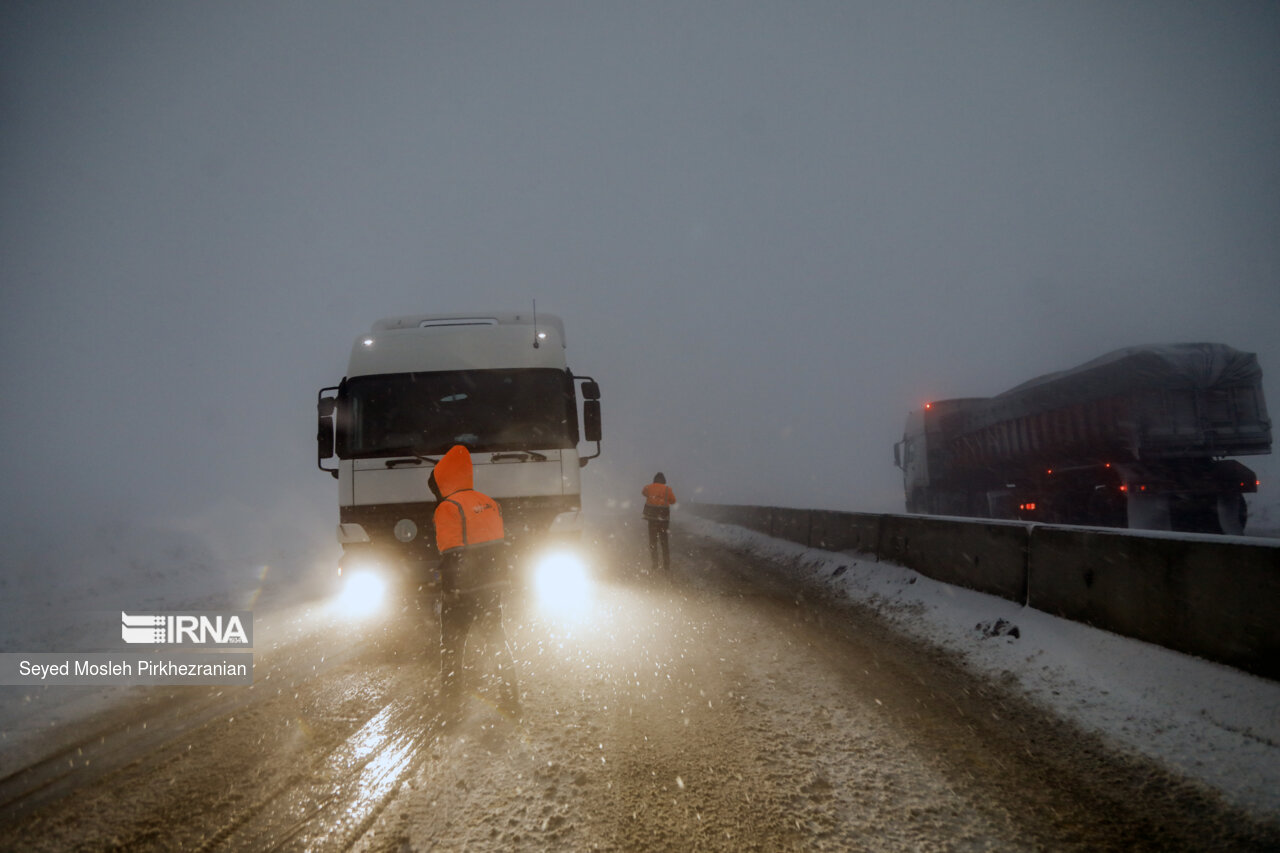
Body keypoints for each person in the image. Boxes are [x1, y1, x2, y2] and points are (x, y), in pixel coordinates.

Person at [429, 444, 520, 719]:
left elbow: (451, 554)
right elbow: (497, 547)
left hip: (464, 590)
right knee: (496, 641)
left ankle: (451, 705)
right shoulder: (489, 502)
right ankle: (511, 700)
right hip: (492, 586)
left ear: (444, 480)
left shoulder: (448, 508)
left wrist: (449, 589)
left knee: (453, 647)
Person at [641, 472, 677, 571]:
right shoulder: (667, 489)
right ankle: (666, 566)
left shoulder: (648, 487)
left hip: (652, 519)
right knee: (664, 543)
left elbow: (643, 493)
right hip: (663, 520)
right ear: (664, 480)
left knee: (653, 542)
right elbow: (673, 501)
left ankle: (655, 564)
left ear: (654, 479)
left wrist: (653, 496)